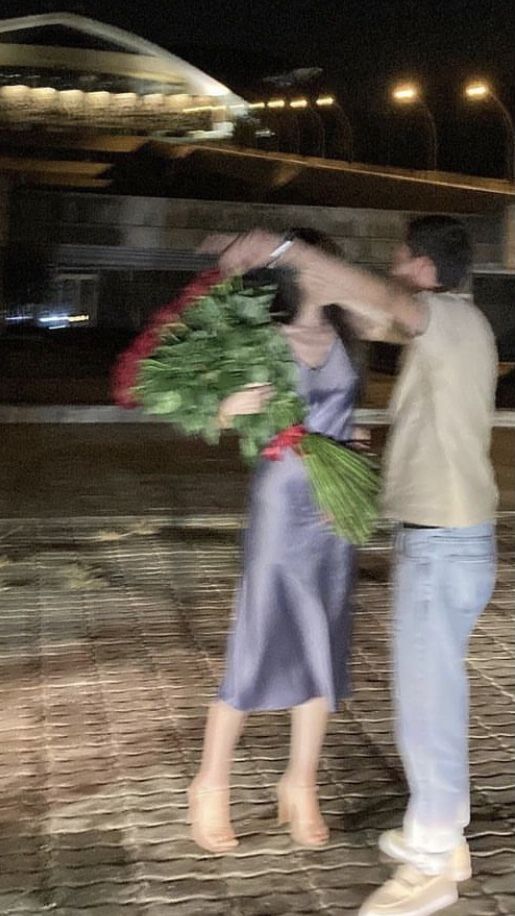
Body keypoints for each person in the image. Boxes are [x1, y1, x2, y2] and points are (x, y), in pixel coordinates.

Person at [216, 216, 498, 916]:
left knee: (427, 706)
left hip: (443, 546)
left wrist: (288, 253)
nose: (393, 274)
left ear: (426, 269)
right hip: (444, 539)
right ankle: (439, 834)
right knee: (430, 695)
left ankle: (432, 860)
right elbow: (364, 315)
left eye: (401, 262)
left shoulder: (445, 320)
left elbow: (380, 301)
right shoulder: (462, 326)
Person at [188, 228, 366, 853]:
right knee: (256, 639)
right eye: (322, 264)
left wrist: (353, 450)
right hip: (280, 506)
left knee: (325, 642)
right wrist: (232, 405)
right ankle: (210, 785)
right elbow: (209, 415)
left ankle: (301, 783)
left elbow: (341, 417)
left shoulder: (343, 339)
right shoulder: (261, 339)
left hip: (334, 513)